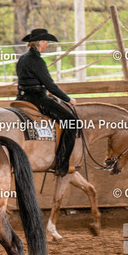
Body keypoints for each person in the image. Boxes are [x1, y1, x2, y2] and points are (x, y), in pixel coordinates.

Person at [16, 28, 78, 177]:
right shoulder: (37, 61)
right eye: (45, 41)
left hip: (21, 98)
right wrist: (68, 99)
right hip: (37, 99)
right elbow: (50, 85)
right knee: (72, 122)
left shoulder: (22, 58)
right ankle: (62, 164)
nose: (47, 44)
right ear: (38, 42)